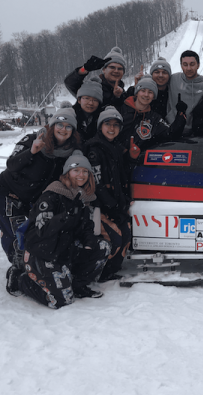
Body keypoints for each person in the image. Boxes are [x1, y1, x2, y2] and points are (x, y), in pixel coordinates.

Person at [0, 105, 81, 294]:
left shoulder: (71, 151)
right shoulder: (35, 139)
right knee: (16, 235)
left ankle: (33, 270)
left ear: (73, 130)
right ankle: (16, 271)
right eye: (59, 124)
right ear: (52, 125)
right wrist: (32, 152)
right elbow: (11, 164)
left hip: (35, 197)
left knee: (34, 234)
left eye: (68, 126)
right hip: (8, 192)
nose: (63, 129)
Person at [11, 150, 111, 308]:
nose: (81, 174)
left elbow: (85, 227)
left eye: (85, 171)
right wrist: (67, 215)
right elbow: (41, 231)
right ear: (67, 173)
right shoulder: (52, 195)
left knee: (102, 246)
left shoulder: (82, 196)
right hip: (43, 251)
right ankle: (19, 279)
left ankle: (77, 284)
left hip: (63, 248)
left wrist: (89, 243)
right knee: (60, 301)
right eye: (76, 170)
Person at [85, 107, 132, 282]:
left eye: (115, 125)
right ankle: (95, 273)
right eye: (107, 124)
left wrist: (124, 201)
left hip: (115, 204)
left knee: (126, 234)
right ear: (100, 126)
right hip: (97, 208)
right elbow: (96, 184)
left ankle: (110, 271)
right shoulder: (94, 149)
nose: (111, 128)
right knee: (112, 239)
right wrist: (111, 206)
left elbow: (120, 178)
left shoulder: (117, 148)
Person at [119, 75, 187, 162]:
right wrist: (122, 150)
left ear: (154, 96)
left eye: (150, 92)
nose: (146, 95)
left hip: (134, 164)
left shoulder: (154, 118)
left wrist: (180, 115)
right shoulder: (121, 109)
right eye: (143, 91)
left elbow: (171, 133)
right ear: (137, 92)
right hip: (113, 160)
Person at [73, 76, 103, 144]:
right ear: (79, 100)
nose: (91, 103)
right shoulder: (70, 114)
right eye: (87, 98)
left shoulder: (101, 117)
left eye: (95, 100)